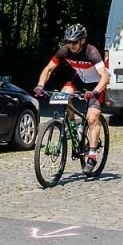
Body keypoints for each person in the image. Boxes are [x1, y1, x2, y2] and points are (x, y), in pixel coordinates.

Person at [33, 24, 110, 167]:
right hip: (80, 79)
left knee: (92, 118)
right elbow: (48, 69)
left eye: (74, 42)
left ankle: (92, 155)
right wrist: (40, 85)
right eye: (68, 41)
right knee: (63, 95)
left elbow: (105, 76)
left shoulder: (91, 52)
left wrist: (96, 91)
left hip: (97, 83)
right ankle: (73, 125)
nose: (71, 45)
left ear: (82, 40)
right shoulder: (64, 51)